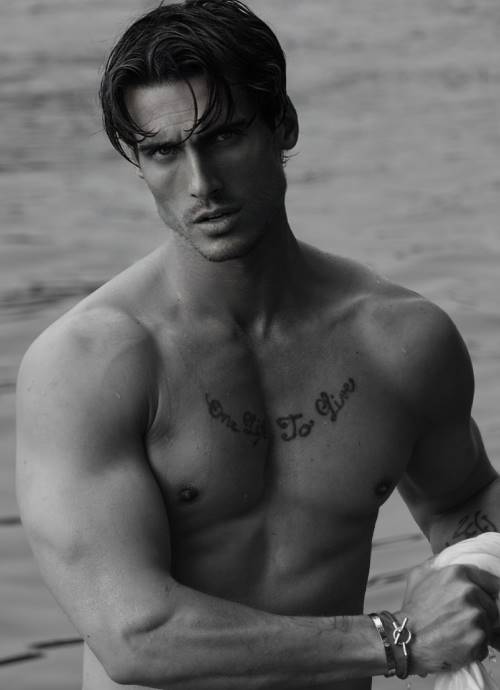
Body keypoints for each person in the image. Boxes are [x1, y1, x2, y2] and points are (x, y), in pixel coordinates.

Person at [15, 1, 500, 689]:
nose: (201, 184)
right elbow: (136, 635)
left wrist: (476, 574)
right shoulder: (90, 365)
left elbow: (460, 500)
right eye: (162, 151)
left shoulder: (401, 342)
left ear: (283, 124)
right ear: (138, 162)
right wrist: (398, 638)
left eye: (223, 136)